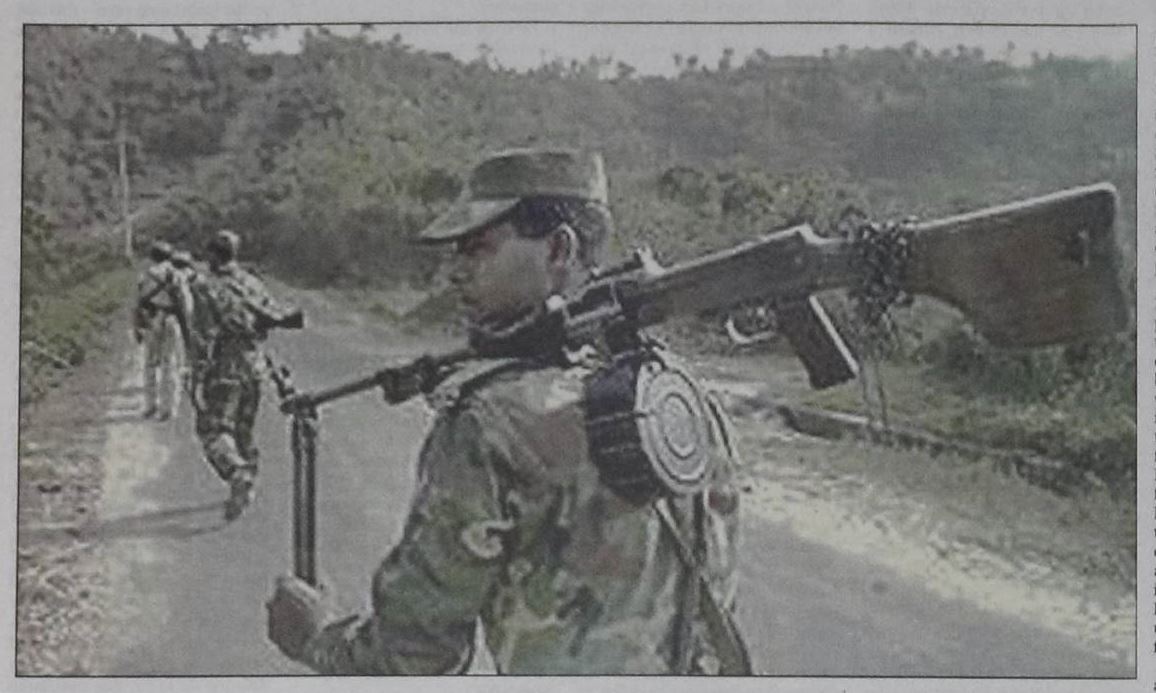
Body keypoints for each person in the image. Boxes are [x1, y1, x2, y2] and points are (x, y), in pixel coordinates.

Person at [265, 149, 750, 674]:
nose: (456, 271)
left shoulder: (489, 424)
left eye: (478, 248)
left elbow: (415, 660)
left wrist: (318, 638)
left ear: (558, 249)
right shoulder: (686, 395)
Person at [189, 229, 298, 521]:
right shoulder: (252, 282)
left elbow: (202, 335)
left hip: (225, 366)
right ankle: (247, 483)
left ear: (212, 255)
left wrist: (196, 374)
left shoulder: (204, 287)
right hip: (255, 365)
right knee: (244, 431)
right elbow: (273, 317)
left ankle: (237, 474)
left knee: (212, 430)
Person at [135, 239, 184, 420]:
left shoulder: (145, 275)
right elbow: (185, 303)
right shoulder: (176, 275)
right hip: (171, 319)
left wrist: (137, 326)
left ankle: (150, 405)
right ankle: (168, 408)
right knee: (169, 363)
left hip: (151, 319)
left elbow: (138, 303)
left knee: (149, 364)